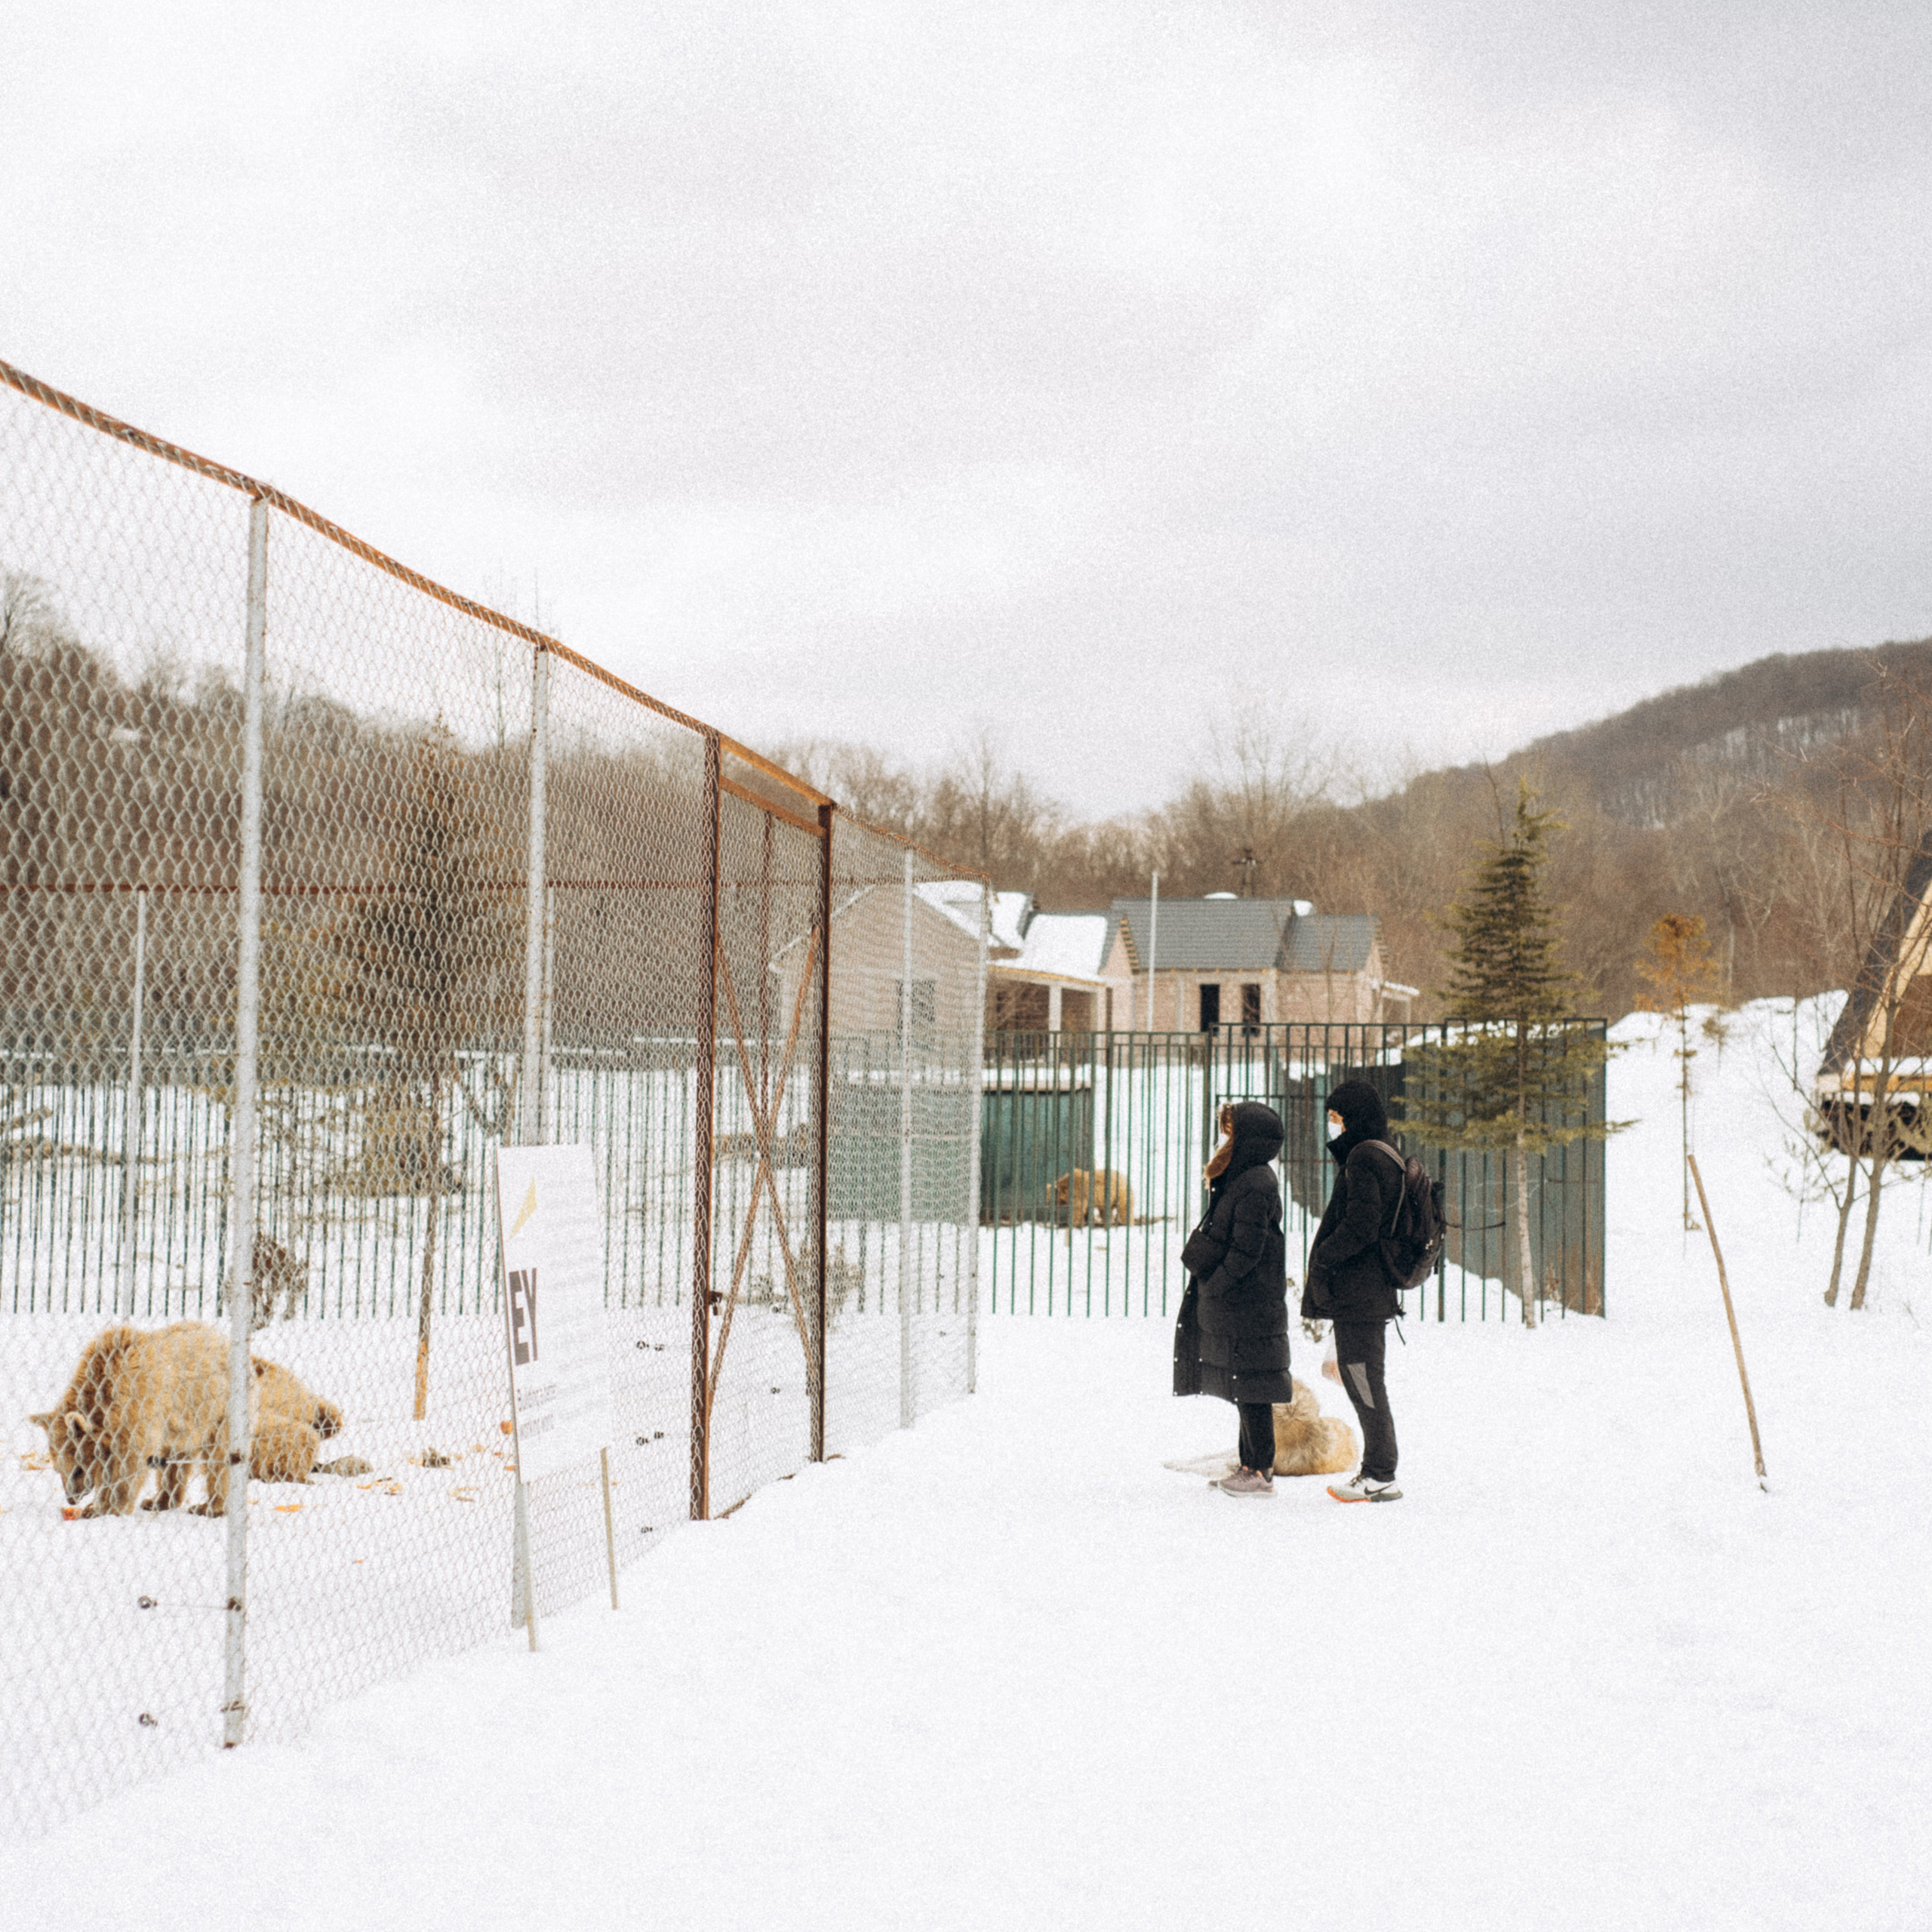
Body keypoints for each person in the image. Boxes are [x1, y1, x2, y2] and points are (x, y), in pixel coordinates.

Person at [1172, 1100, 1292, 1498]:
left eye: (1232, 1131)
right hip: (1241, 1301)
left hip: (1250, 1302)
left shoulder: (1257, 1183)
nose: (1226, 1139)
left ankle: (1260, 1469)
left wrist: (1217, 1283)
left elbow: (1248, 1249)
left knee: (1254, 1386)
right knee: (1244, 1383)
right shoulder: (1243, 1178)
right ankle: (1249, 1464)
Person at [1302, 1078, 1404, 1503]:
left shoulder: (1364, 1159)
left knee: (1363, 1380)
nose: (1331, 1127)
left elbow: (1363, 1224)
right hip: (1369, 1291)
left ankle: (1380, 1473)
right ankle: (1378, 1470)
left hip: (1360, 1294)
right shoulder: (1384, 1154)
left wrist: (1325, 1255)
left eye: (1336, 1119)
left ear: (1354, 1120)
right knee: (1364, 1379)